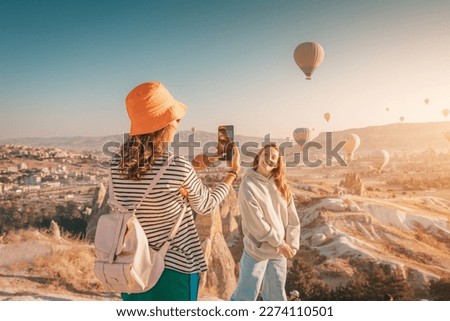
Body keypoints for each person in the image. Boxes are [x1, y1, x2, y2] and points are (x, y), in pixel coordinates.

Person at [110, 81, 241, 301]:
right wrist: (233, 174)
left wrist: (201, 162)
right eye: (176, 119)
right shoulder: (176, 166)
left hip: (132, 265)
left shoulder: (116, 166)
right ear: (164, 123)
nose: (177, 124)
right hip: (175, 269)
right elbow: (206, 204)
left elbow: (150, 175)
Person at [230, 143, 300, 301]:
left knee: (276, 297)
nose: (269, 159)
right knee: (245, 297)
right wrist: (281, 244)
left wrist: (292, 244)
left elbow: (293, 218)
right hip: (257, 251)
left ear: (277, 163)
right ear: (259, 156)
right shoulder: (248, 185)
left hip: (278, 253)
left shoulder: (281, 185)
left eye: (273, 157)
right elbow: (256, 223)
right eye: (266, 154)